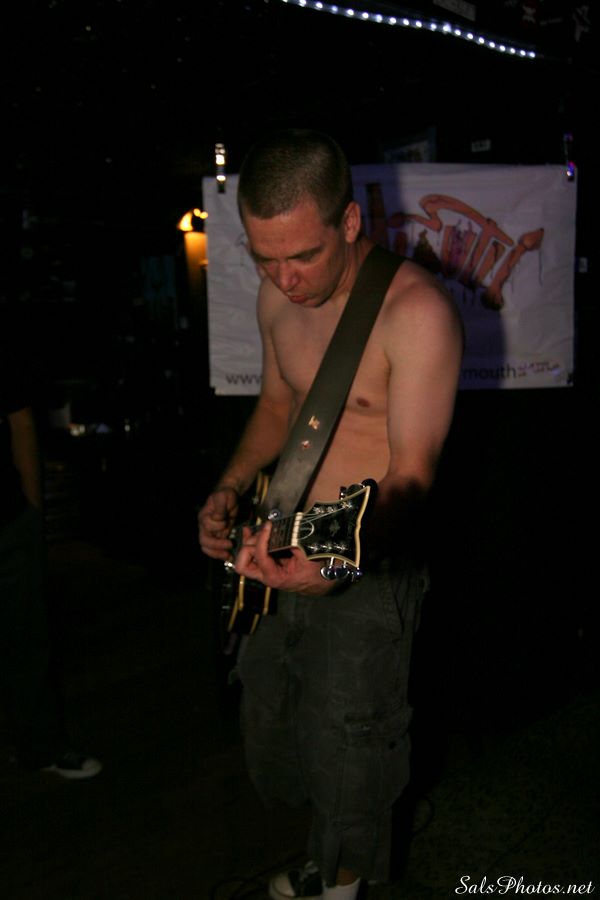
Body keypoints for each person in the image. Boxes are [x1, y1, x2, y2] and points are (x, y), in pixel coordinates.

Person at [198, 129, 463, 899]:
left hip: (369, 556)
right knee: (276, 719)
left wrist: (340, 558)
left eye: (303, 257)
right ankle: (325, 856)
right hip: (280, 538)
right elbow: (278, 408)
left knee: (353, 739)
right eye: (265, 259)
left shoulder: (416, 312)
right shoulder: (276, 295)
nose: (284, 280)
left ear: (349, 222)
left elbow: (412, 475)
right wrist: (229, 487)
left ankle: (342, 884)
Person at [0, 314, 102, 779]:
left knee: (26, 638)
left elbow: (20, 420)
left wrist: (31, 511)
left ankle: (42, 746)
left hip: (7, 520)